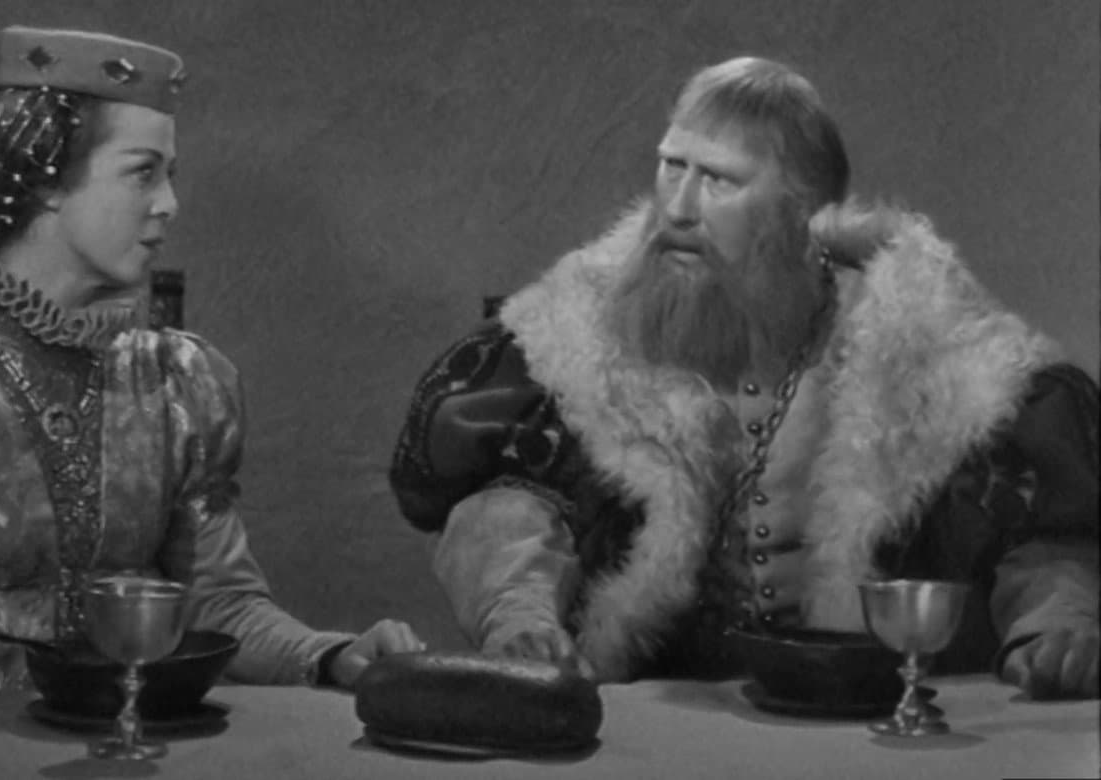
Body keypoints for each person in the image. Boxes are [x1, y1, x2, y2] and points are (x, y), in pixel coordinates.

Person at [0, 26, 424, 719]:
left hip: (127, 743)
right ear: (47, 179)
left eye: (170, 175)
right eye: (143, 172)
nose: (169, 203)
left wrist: (329, 654)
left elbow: (223, 605)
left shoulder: (176, 381)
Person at [388, 56, 1098, 698]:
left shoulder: (928, 345)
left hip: (864, 738)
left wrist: (1056, 625)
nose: (677, 207)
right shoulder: (579, 329)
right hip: (645, 726)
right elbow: (509, 502)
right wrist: (520, 616)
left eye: (718, 180)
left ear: (800, 210)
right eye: (672, 166)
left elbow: (1040, 536)